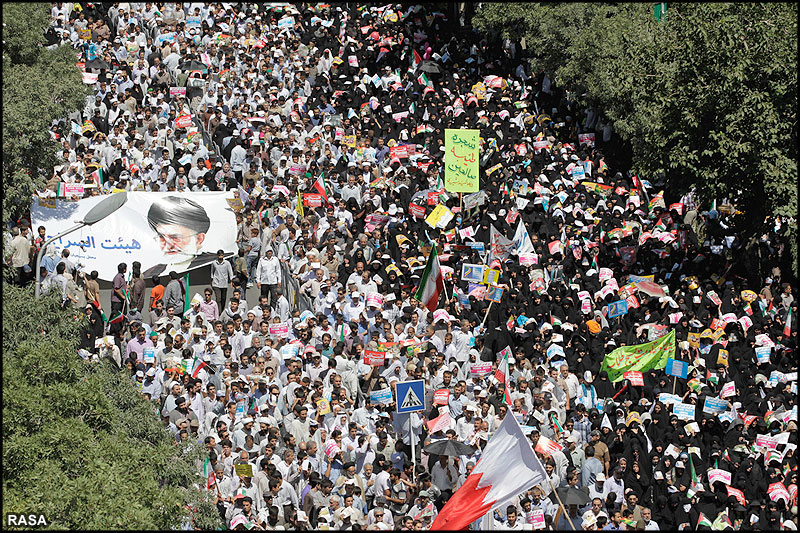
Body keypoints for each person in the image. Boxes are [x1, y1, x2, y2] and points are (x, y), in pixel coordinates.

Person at [143, 195, 216, 277]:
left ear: (199, 239)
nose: (168, 246)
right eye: (161, 237)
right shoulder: (150, 272)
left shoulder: (213, 263)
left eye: (175, 237)